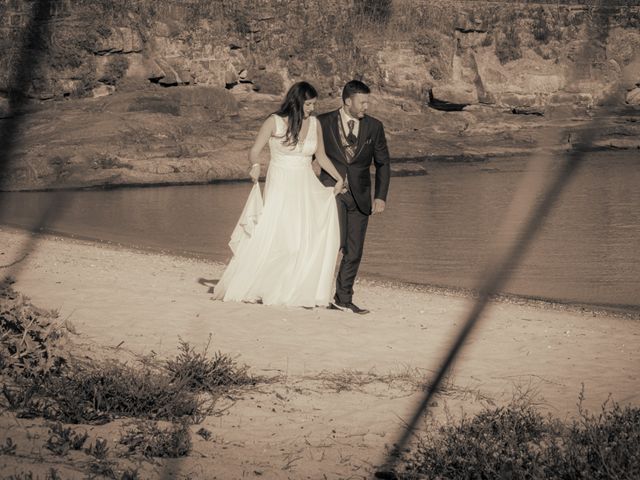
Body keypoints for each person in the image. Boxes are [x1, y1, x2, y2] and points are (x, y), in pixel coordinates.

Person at [214, 81, 345, 308]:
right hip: (281, 185)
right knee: (282, 236)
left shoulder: (314, 124)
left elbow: (321, 157)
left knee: (305, 236)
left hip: (305, 185)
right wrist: (255, 165)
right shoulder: (274, 121)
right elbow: (255, 151)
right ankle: (264, 286)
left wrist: (338, 177)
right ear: (297, 101)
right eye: (309, 104)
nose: (312, 109)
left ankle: (292, 288)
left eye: (314, 104)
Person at [317, 80, 391, 314]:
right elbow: (311, 156)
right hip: (332, 192)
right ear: (348, 101)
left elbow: (383, 163)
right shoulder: (322, 122)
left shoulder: (374, 127)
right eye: (362, 102)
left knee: (354, 250)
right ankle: (315, 292)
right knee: (333, 244)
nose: (366, 106)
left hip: (361, 196)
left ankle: (343, 298)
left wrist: (380, 196)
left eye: (368, 102)